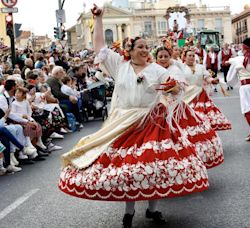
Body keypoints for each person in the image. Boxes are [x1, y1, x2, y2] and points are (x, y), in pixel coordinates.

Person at [59, 5, 209, 228]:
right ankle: (129, 212)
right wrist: (98, 19)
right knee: (127, 168)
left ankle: (153, 209)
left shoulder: (157, 69)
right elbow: (99, 46)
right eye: (140, 47)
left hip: (151, 122)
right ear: (129, 50)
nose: (145, 50)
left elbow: (177, 89)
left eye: (147, 47)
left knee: (152, 165)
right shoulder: (120, 66)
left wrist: (173, 88)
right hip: (123, 122)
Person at [155, 46, 225, 168]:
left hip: (184, 101)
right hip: (167, 104)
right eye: (160, 56)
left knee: (185, 133)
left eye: (166, 56)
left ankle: (186, 159)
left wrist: (212, 80)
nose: (163, 58)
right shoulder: (155, 69)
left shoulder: (181, 68)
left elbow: (182, 84)